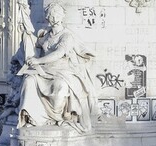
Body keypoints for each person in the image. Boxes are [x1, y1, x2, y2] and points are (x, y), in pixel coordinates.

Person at [16, 2, 98, 133]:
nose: (54, 17)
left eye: (57, 14)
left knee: (60, 87)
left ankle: (57, 117)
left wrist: (38, 61)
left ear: (61, 17)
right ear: (48, 16)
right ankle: (34, 118)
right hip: (44, 70)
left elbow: (59, 53)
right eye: (51, 14)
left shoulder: (66, 36)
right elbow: (34, 42)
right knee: (28, 81)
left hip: (63, 71)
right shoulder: (46, 35)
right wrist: (25, 29)